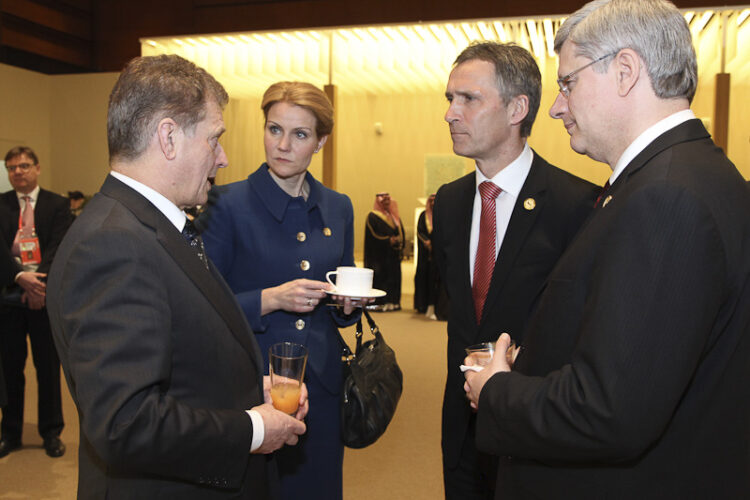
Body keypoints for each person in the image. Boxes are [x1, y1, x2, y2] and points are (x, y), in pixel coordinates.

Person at [464, 1, 750, 498]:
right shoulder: (687, 176)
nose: (556, 106)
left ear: (624, 71)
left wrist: (498, 390)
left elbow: (611, 409)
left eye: (568, 83)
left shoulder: (665, 197)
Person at [46, 55, 307, 498]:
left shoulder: (149, 224)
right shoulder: (114, 244)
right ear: (168, 137)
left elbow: (176, 351)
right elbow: (126, 422)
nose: (223, 158)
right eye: (214, 139)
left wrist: (246, 387)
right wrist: (252, 429)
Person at [433, 41, 598, 499]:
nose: (451, 112)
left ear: (517, 109)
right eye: (450, 98)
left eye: (468, 99)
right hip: (462, 430)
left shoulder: (576, 205)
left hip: (534, 432)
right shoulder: (448, 202)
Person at [200, 81, 361, 500]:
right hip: (256, 384)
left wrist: (349, 305)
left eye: (300, 134)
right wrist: (272, 298)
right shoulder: (224, 204)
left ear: (321, 141)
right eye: (275, 130)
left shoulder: (338, 206)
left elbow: (343, 297)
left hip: (322, 384)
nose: (283, 145)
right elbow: (202, 310)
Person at [0, 146, 72, 459]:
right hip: (8, 294)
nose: (18, 172)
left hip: (45, 295)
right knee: (10, 368)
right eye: (12, 167)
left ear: (37, 168)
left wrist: (38, 283)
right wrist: (20, 277)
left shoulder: (57, 204)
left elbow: (60, 245)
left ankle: (51, 432)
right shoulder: (0, 204)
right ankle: (11, 433)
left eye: (24, 166)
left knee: (47, 367)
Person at [364, 192, 405, 311]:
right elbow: (373, 235)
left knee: (393, 278)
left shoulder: (393, 217)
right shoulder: (372, 216)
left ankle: (393, 301)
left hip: (392, 254)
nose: (387, 203)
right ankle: (380, 303)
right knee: (381, 278)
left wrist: (398, 241)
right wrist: (388, 240)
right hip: (379, 256)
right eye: (384, 201)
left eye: (388, 201)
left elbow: (400, 232)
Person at [413, 194, 446, 320]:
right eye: (430, 201)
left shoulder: (443, 214)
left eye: (435, 201)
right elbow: (420, 231)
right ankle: (422, 305)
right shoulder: (423, 215)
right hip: (425, 255)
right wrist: (426, 242)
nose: (433, 203)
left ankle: (435, 306)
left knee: (435, 281)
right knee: (423, 278)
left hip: (438, 256)